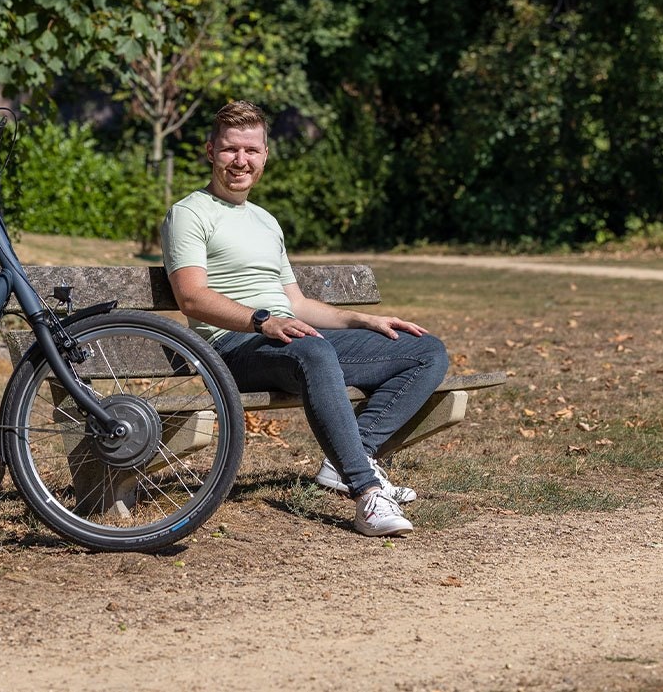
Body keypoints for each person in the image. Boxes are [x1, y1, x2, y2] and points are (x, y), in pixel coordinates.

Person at [159, 100, 449, 537]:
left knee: (425, 351)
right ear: (211, 152)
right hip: (232, 348)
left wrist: (363, 320)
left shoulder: (265, 221)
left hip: (289, 340)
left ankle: (348, 458)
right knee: (312, 351)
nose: (240, 160)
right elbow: (192, 297)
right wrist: (261, 321)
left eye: (251, 150)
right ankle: (366, 492)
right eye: (230, 149)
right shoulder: (189, 213)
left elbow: (294, 302)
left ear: (265, 155)